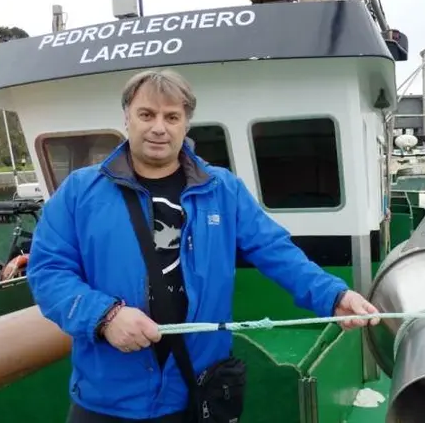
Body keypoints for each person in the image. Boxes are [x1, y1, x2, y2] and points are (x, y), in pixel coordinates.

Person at [26, 68, 380, 423]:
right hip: (106, 398)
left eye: (171, 117)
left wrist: (333, 296)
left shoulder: (223, 189)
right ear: (127, 117)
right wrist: (105, 316)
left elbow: (275, 251)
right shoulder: (78, 192)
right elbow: (48, 271)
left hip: (197, 391)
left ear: (186, 124)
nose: (158, 127)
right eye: (146, 114)